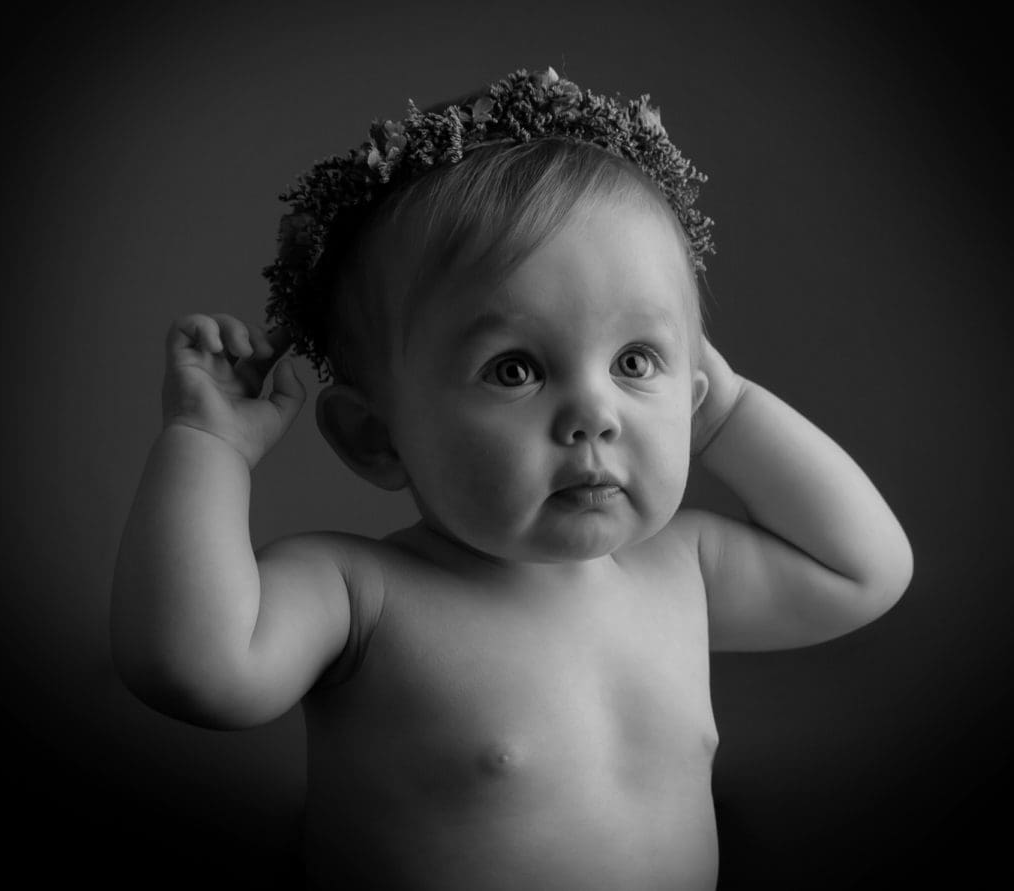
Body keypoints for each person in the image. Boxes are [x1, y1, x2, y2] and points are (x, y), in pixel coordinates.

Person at [111, 66, 913, 890]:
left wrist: (728, 411)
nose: (594, 413)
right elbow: (192, 668)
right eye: (515, 369)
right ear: (375, 435)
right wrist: (207, 443)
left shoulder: (680, 571)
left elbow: (863, 571)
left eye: (635, 360)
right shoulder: (361, 594)